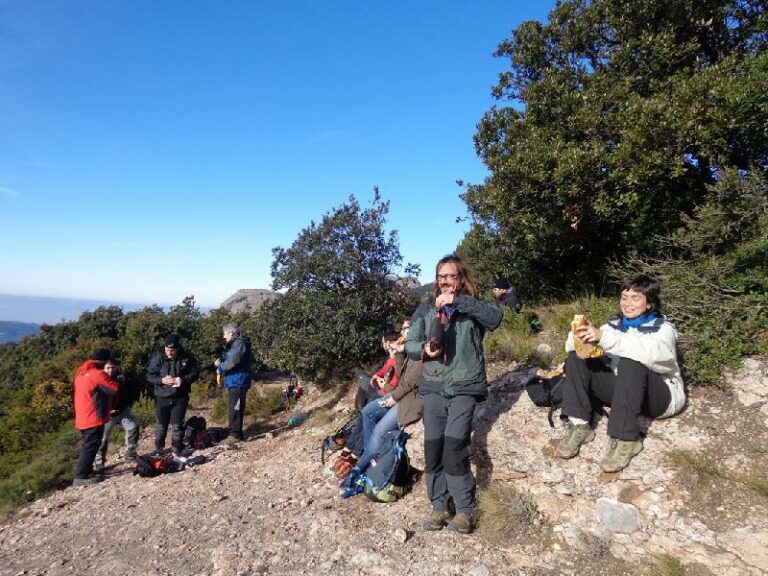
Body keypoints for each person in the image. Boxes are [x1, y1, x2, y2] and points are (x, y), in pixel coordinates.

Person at [405, 254, 503, 534]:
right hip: (433, 385)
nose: (445, 281)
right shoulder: (425, 308)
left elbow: (495, 318)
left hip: (464, 386)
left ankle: (464, 509)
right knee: (433, 448)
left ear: (461, 279)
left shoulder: (471, 307)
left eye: (451, 276)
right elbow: (410, 342)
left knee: (454, 447)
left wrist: (457, 301)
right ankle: (439, 506)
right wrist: (424, 349)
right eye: (441, 276)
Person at [556, 275, 686, 472]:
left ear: (649, 303)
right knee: (575, 358)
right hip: (625, 391)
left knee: (632, 362)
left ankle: (626, 438)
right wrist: (579, 334)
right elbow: (573, 347)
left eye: (635, 298)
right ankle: (580, 424)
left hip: (661, 397)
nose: (627, 303)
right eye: (624, 297)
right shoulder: (613, 326)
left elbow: (653, 355)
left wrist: (604, 338)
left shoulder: (663, 329)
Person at [344, 317, 423, 486]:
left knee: (379, 431)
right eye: (402, 329)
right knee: (367, 411)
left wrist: (393, 397)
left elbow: (409, 382)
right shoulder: (409, 349)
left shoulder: (420, 350)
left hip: (410, 400)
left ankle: (361, 466)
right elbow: (401, 375)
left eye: (405, 328)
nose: (401, 332)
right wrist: (400, 351)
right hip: (400, 395)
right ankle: (371, 458)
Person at [72, 347, 119, 486]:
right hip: (93, 416)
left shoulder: (81, 372)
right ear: (104, 361)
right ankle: (80, 476)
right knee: (90, 446)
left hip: (82, 415)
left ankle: (87, 471)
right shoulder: (97, 374)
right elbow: (114, 389)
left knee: (90, 445)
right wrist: (117, 379)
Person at [147, 334, 199, 456]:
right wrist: (162, 380)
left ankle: (176, 449)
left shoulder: (187, 358)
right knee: (161, 425)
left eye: (172, 350)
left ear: (178, 348)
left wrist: (183, 380)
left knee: (177, 425)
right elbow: (149, 376)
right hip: (162, 396)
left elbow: (195, 373)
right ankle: (159, 450)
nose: (169, 352)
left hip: (180, 396)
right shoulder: (157, 359)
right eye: (167, 349)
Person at [94, 359, 140, 469]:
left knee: (133, 428)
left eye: (112, 367)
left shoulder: (122, 378)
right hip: (106, 414)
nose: (110, 370)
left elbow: (130, 392)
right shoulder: (98, 380)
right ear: (103, 369)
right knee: (102, 438)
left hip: (122, 410)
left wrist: (128, 404)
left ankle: (131, 456)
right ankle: (99, 462)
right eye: (108, 368)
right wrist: (105, 410)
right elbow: (95, 399)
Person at [215, 323, 252, 443]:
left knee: (235, 408)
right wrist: (221, 361)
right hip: (233, 382)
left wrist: (221, 368)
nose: (223, 337)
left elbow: (233, 361)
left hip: (238, 381)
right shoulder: (234, 346)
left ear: (231, 333)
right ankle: (236, 433)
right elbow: (230, 359)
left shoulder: (239, 344)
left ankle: (234, 435)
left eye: (225, 334)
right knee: (234, 407)